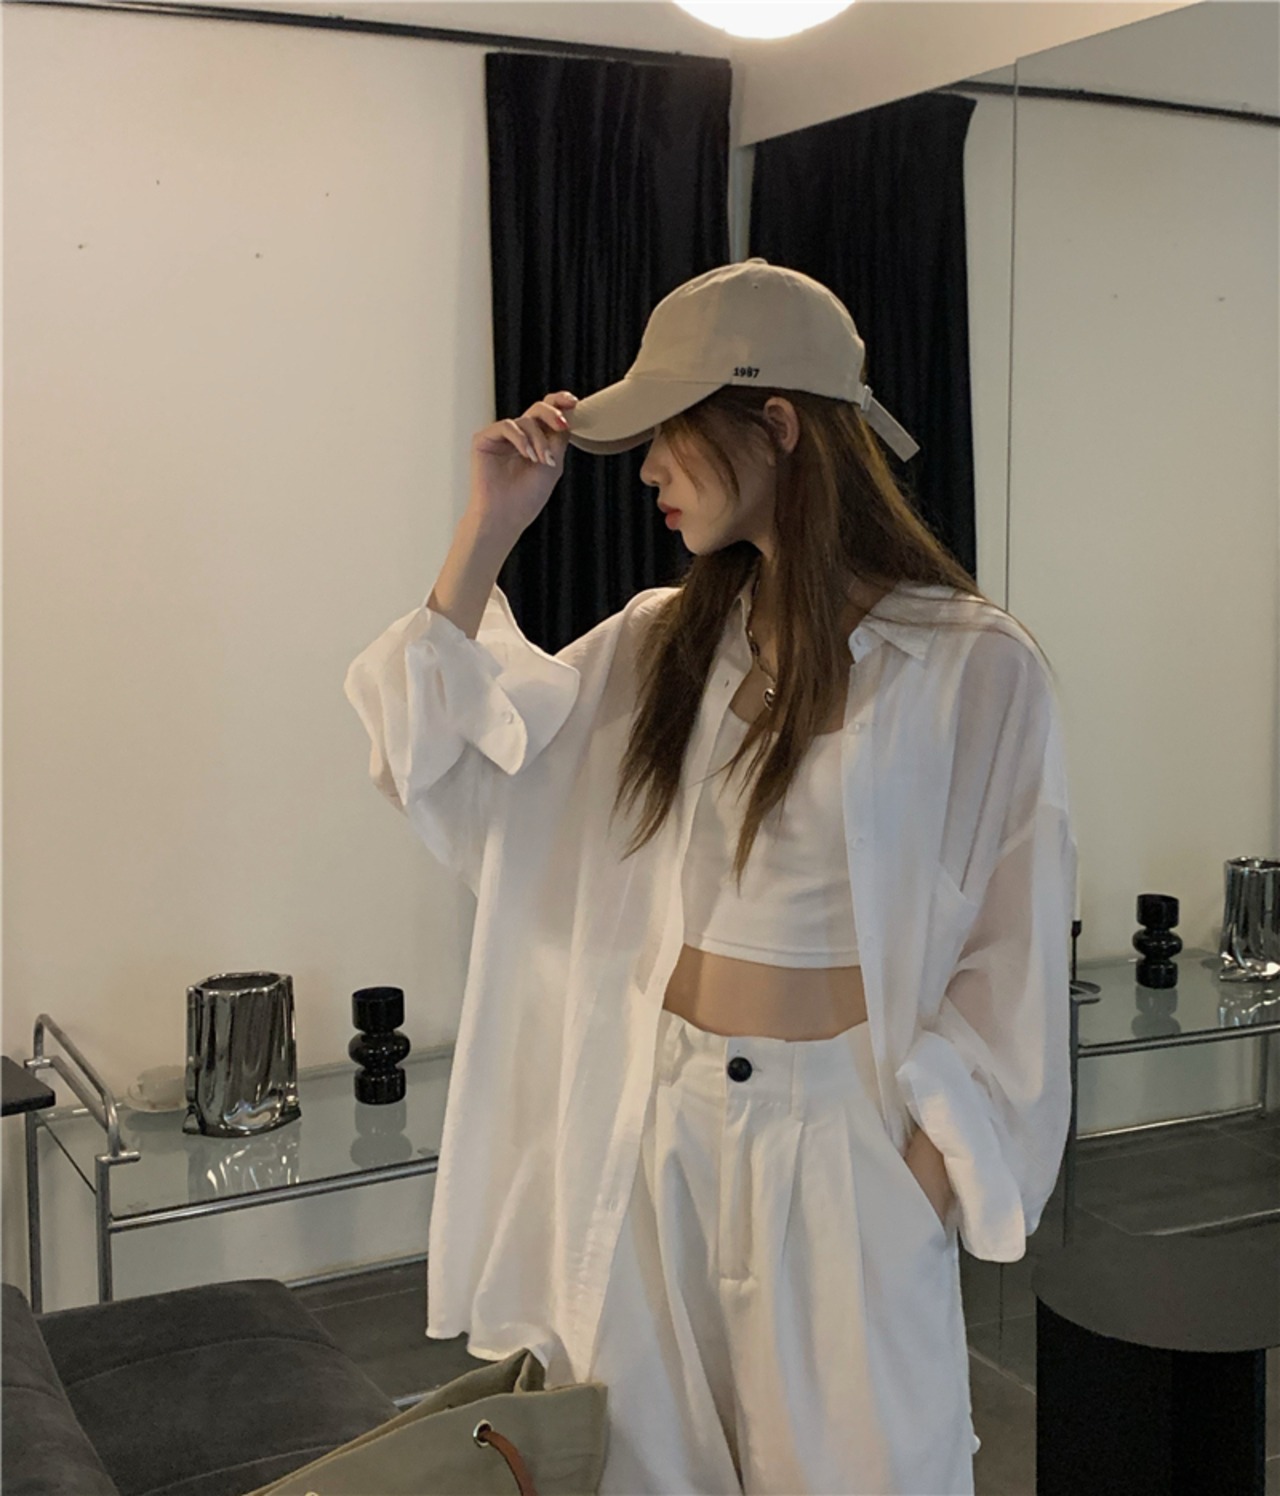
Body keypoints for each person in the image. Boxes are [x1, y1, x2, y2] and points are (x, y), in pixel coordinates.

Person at [345, 259, 1078, 1495]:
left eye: (668, 433)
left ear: (775, 423)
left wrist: (917, 1182)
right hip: (657, 1123)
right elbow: (440, 759)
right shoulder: (660, 642)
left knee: (861, 1470)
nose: (646, 470)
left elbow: (1009, 949)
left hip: (840, 1145)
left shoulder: (972, 665)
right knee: (650, 1469)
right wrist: (489, 527)